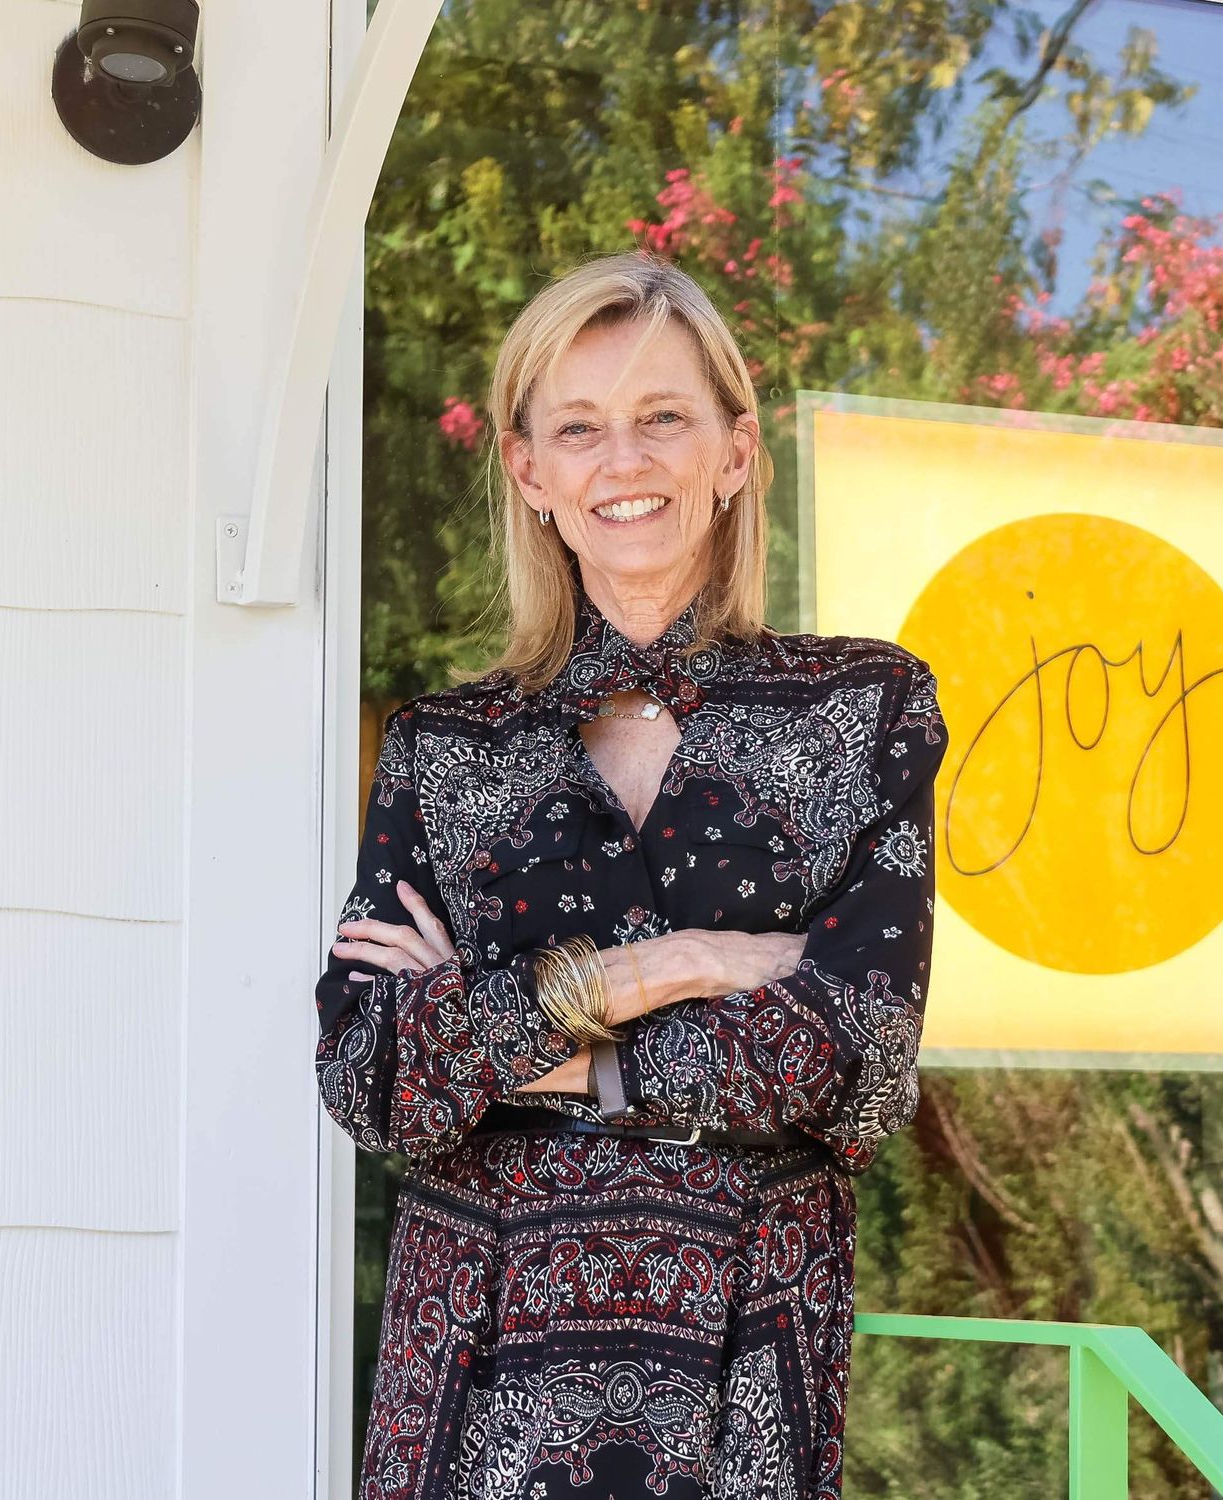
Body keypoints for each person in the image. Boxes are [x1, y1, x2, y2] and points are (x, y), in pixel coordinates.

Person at [314, 250, 946, 1500]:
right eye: (580, 428)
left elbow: (862, 1064)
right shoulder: (447, 746)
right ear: (529, 471)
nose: (626, 462)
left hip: (746, 1338)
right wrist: (684, 967)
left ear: (733, 449)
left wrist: (509, 1030)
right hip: (479, 1350)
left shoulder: (864, 707)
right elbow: (371, 1072)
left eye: (664, 417)